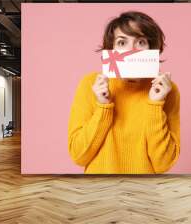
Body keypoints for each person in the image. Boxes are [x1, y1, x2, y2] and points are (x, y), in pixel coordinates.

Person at [68, 11, 180, 174]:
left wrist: (155, 105)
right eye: (122, 43)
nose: (131, 50)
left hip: (144, 193)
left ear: (151, 48)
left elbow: (163, 164)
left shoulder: (167, 90)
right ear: (111, 49)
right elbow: (78, 156)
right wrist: (103, 107)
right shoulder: (90, 85)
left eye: (141, 42)